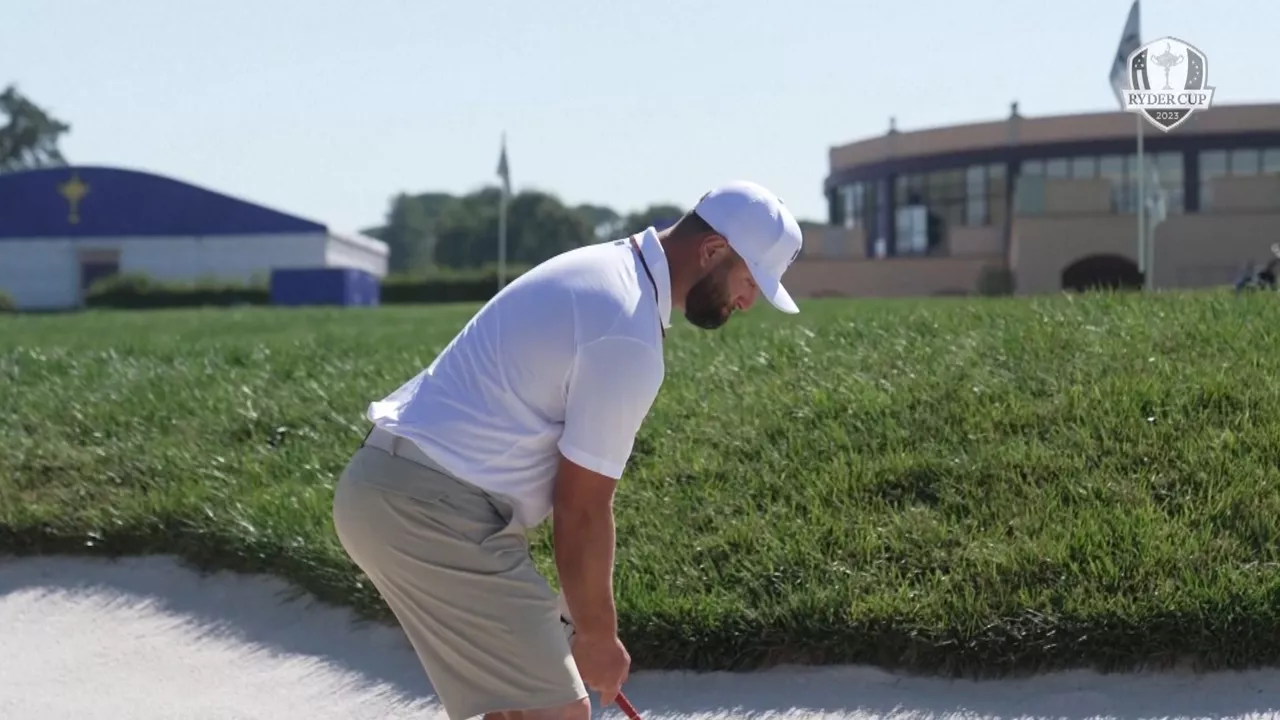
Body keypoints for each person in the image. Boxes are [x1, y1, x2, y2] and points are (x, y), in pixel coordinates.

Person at [331, 180, 803, 720]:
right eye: (750, 281)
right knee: (559, 714)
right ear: (714, 251)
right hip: (427, 513)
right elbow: (580, 506)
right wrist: (599, 636)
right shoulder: (626, 333)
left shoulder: (606, 271)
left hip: (404, 496)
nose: (748, 302)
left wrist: (583, 623)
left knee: (516, 712)